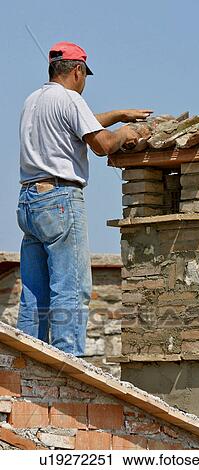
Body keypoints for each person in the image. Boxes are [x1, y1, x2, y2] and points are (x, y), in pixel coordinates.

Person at [17, 41, 152, 356]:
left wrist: (118, 114)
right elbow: (102, 144)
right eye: (85, 75)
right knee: (71, 289)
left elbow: (81, 123)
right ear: (77, 70)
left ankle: (24, 364)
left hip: (29, 200)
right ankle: (69, 368)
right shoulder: (71, 99)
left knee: (34, 294)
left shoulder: (33, 100)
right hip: (60, 199)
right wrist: (125, 133)